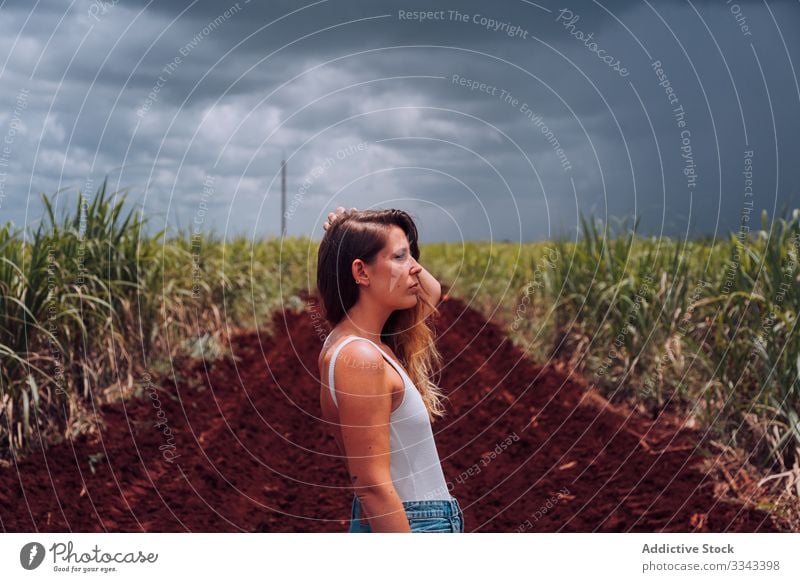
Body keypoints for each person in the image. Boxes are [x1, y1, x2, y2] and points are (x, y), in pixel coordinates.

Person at [316, 206, 464, 533]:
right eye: (399, 258)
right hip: (414, 522)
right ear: (362, 273)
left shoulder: (353, 343)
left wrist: (350, 233)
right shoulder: (360, 357)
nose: (415, 269)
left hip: (418, 518)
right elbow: (372, 487)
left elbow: (431, 291)